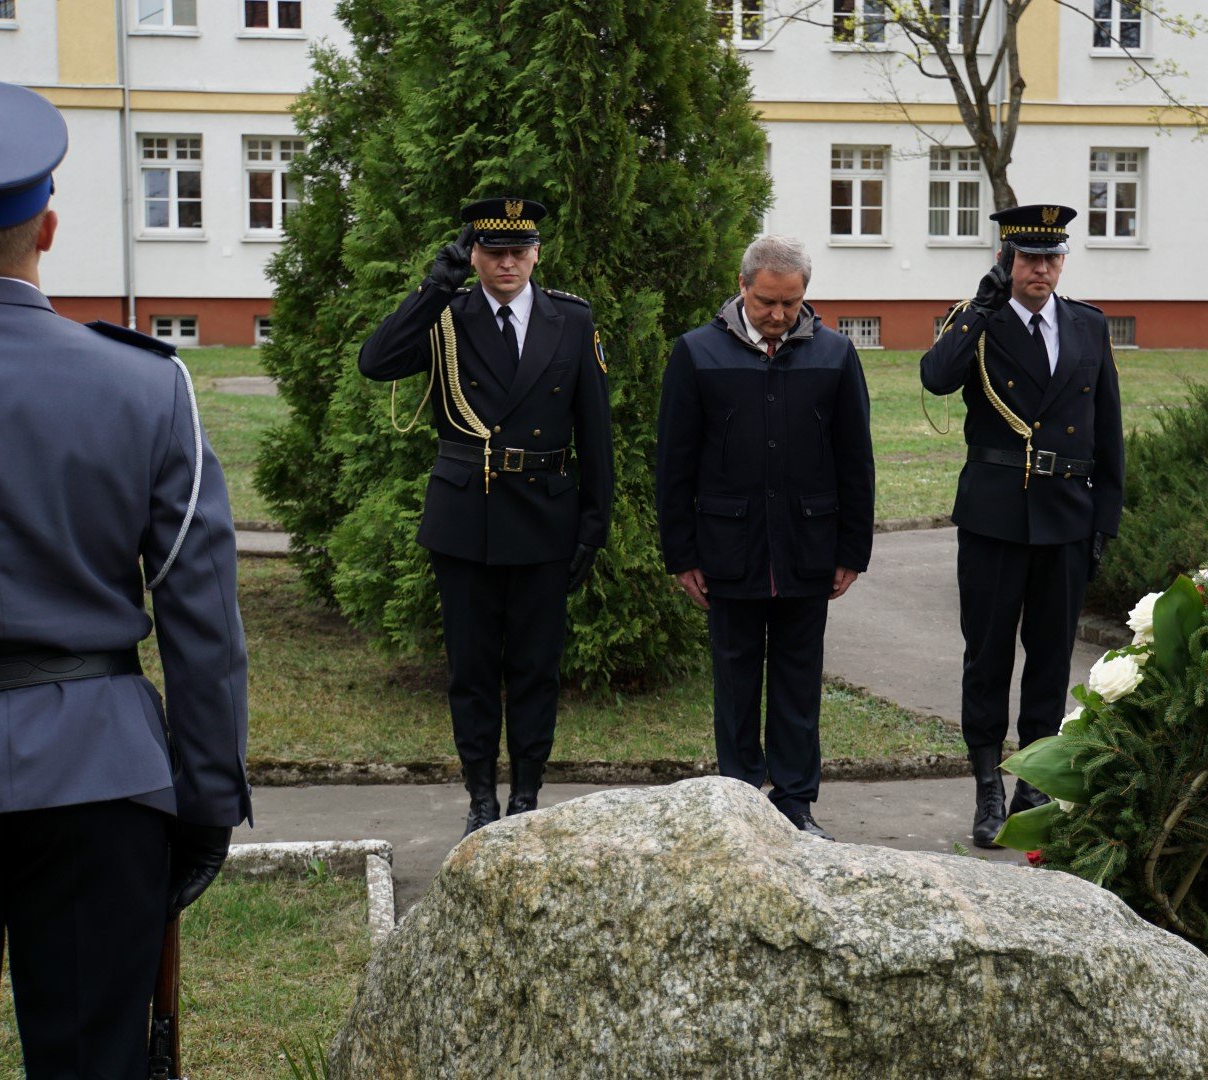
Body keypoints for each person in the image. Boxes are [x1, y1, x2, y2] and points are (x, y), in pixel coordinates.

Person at [0, 81, 249, 1074]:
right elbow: (200, 618)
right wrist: (207, 797)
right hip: (100, 780)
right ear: (47, 227)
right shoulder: (145, 384)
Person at [360, 197, 613, 836]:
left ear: (537, 254)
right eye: (493, 252)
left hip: (544, 517)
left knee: (535, 669)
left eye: (518, 251)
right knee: (471, 672)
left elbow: (596, 431)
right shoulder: (447, 315)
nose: (507, 263)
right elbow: (376, 362)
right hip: (465, 517)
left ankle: (525, 796)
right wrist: (431, 289)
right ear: (472, 255)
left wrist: (594, 524)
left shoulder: (571, 319)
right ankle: (479, 798)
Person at [656, 235, 874, 840]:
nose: (779, 315)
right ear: (743, 286)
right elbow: (674, 463)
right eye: (767, 302)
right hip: (727, 550)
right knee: (735, 681)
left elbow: (856, 459)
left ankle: (796, 802)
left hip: (809, 547)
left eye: (791, 303)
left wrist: (852, 550)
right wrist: (681, 554)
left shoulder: (834, 354)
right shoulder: (697, 352)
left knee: (799, 682)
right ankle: (739, 798)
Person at [920, 204, 1124, 848]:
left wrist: (1105, 519)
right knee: (987, 656)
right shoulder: (978, 321)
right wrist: (979, 310)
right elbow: (935, 378)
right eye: (1029, 258)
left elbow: (1109, 428)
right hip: (995, 516)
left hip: (1066, 517)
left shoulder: (1088, 325)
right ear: (1007, 261)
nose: (1042, 269)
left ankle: (1032, 787)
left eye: (1052, 257)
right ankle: (987, 784)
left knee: (1050, 658)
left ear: (1062, 261)